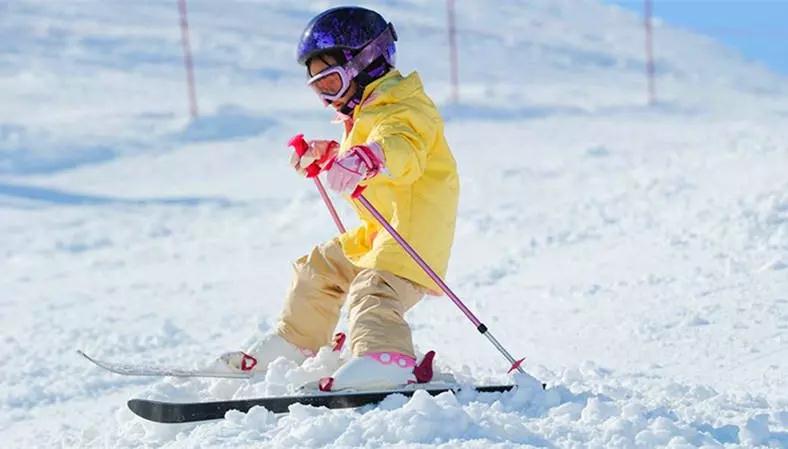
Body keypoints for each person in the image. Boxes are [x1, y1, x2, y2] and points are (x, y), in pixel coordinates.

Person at [222, 6, 459, 391]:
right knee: (318, 269)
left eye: (331, 82)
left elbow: (402, 147)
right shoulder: (367, 113)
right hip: (379, 232)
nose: (327, 97)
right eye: (318, 88)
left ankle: (386, 360)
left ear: (368, 62)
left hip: (413, 237)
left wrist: (370, 157)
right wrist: (331, 154)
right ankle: (297, 343)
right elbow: (366, 154)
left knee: (372, 290)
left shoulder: (406, 109)